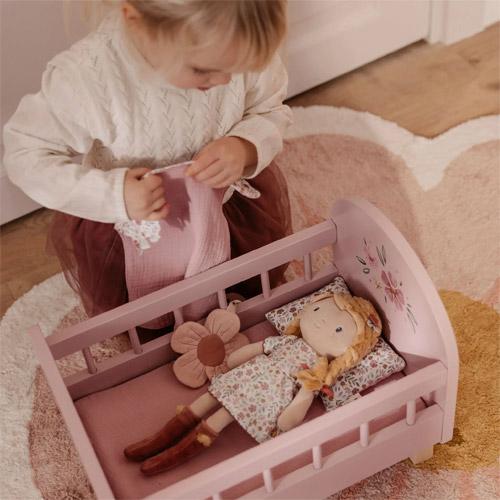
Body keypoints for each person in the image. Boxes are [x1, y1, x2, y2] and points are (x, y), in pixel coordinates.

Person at [2, 0, 292, 336]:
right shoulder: (87, 78)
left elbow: (270, 109)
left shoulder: (240, 36)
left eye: (238, 68)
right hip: (135, 232)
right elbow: (25, 155)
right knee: (146, 327)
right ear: (137, 23)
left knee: (247, 293)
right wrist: (114, 194)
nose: (226, 80)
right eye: (203, 70)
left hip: (223, 207)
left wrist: (245, 145)